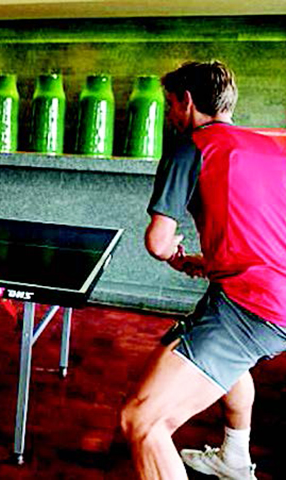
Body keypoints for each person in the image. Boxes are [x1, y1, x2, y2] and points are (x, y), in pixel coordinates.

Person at [120, 60, 286, 479]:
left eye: (170, 104)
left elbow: (158, 243)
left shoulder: (190, 146)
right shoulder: (270, 145)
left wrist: (175, 257)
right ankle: (234, 459)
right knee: (229, 363)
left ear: (187, 101)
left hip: (254, 307)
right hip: (264, 295)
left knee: (142, 422)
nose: (170, 114)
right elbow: (265, 228)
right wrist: (213, 263)